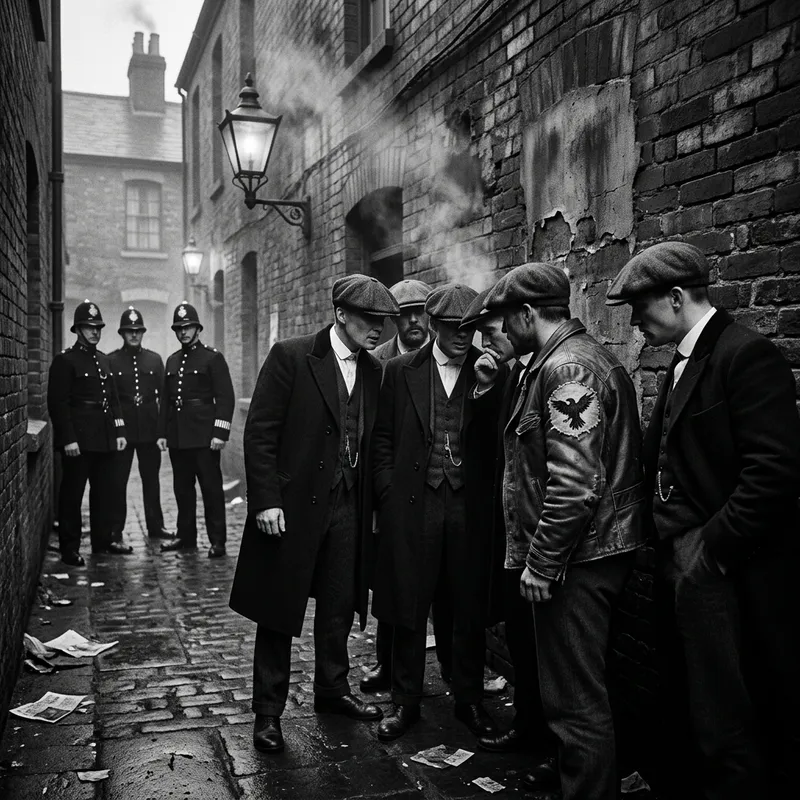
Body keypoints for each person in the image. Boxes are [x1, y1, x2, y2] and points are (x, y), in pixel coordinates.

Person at [606, 241, 800, 800]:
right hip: (684, 568)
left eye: (640, 308)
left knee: (726, 714)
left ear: (674, 297)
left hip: (724, 573)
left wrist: (708, 551)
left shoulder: (745, 354)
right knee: (693, 702)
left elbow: (774, 472)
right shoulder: (681, 361)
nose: (635, 322)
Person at [481, 263, 646, 800]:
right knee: (577, 694)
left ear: (528, 314)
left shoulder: (568, 369)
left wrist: (542, 562)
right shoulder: (555, 363)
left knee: (575, 704)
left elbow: (574, 486)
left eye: (507, 319)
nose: (502, 331)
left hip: (580, 560)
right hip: (586, 553)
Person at [230, 275, 400, 755]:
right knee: (278, 607)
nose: (379, 328)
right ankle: (268, 713)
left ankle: (332, 688)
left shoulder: (374, 370)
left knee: (339, 601)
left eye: (383, 320)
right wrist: (265, 500)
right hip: (292, 507)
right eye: (369, 318)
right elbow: (260, 431)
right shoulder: (292, 355)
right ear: (341, 314)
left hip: (348, 505)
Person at [372, 284, 501, 742]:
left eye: (469, 328)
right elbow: (382, 440)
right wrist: (389, 494)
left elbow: (499, 441)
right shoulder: (400, 370)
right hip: (415, 505)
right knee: (409, 604)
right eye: (452, 327)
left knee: (467, 605)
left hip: (468, 506)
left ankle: (469, 700)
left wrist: (487, 390)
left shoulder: (491, 371)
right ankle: (405, 703)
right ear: (433, 325)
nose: (462, 336)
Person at [459, 289, 548, 755]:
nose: (488, 341)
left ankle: (547, 741)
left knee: (545, 648)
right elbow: (484, 449)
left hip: (542, 537)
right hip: (515, 536)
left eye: (493, 331)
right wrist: (485, 389)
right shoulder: (510, 373)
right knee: (521, 637)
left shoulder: (547, 370)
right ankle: (529, 726)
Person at [361, 278, 456, 694]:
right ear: (394, 320)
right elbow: (372, 433)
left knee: (443, 587)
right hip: (396, 493)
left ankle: (451, 666)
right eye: (405, 314)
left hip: (437, 491)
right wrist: (382, 496)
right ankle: (387, 664)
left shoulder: (450, 356)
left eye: (420, 313)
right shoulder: (378, 361)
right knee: (392, 582)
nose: (414, 321)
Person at [48, 300, 130, 566]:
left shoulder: (104, 360)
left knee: (103, 491)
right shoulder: (65, 361)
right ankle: (69, 548)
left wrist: (119, 431)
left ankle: (101, 541)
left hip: (104, 437)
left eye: (98, 327)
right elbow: (58, 404)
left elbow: (113, 399)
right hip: (79, 440)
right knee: (73, 494)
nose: (95, 332)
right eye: (89, 327)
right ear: (78, 329)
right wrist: (68, 439)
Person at [157, 301, 234, 558]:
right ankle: (186, 536)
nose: (183, 332)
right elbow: (166, 400)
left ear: (198, 329)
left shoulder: (212, 358)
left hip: (204, 438)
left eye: (188, 327)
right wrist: (162, 433)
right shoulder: (172, 361)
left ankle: (218, 541)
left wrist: (220, 433)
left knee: (211, 490)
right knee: (182, 490)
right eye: (179, 328)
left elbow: (225, 398)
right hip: (179, 438)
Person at [108, 306, 172, 545]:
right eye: (129, 331)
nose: (134, 335)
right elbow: (111, 399)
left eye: (137, 331)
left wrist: (162, 431)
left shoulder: (154, 359)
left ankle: (156, 526)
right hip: (122, 430)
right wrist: (117, 429)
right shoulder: (111, 360)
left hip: (149, 429)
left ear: (143, 333)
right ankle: (115, 530)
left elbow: (164, 397)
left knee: (151, 480)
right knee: (118, 481)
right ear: (122, 334)